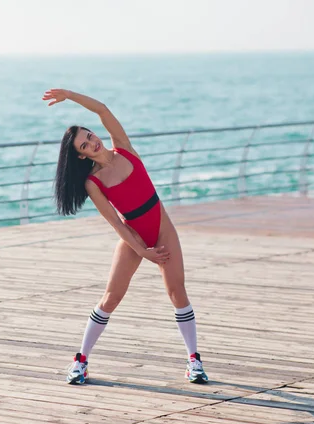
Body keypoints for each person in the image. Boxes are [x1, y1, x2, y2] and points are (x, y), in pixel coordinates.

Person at [42, 88, 208, 385]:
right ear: (80, 155)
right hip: (132, 236)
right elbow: (117, 224)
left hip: (161, 227)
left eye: (90, 135)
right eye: (84, 145)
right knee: (111, 298)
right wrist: (142, 250)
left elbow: (103, 110)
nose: (92, 142)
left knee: (177, 292)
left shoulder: (124, 148)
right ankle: (81, 360)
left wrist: (69, 94)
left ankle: (194, 360)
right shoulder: (93, 182)